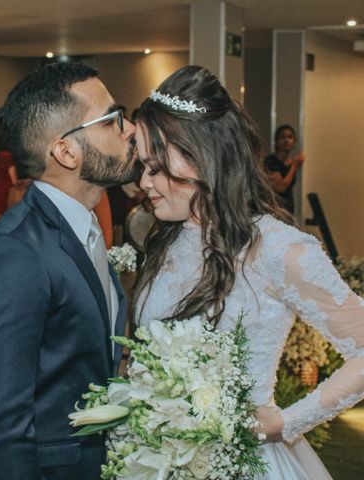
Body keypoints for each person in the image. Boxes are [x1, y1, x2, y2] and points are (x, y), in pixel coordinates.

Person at [133, 65, 364, 479]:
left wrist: (284, 423)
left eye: (154, 167)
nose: (143, 182)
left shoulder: (280, 249)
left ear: (199, 160)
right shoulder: (161, 236)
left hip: (245, 463)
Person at [0, 62, 139, 479]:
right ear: (65, 151)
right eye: (112, 120)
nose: (129, 130)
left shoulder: (83, 227)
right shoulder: (14, 254)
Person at [264, 124, 305, 214]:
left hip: (288, 209)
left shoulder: (290, 162)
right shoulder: (271, 162)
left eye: (290, 137)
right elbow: (280, 187)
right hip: (275, 209)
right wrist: (294, 166)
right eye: (282, 137)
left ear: (294, 142)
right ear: (276, 142)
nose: (286, 140)